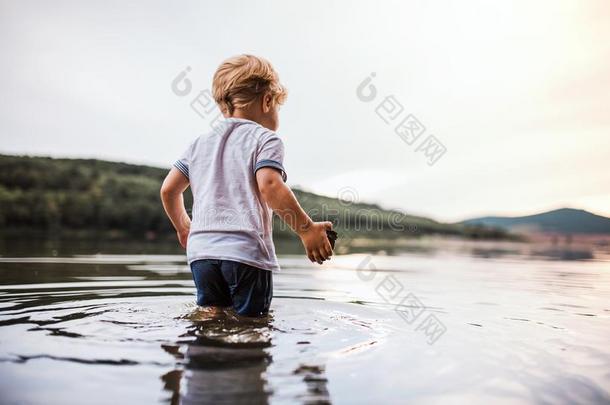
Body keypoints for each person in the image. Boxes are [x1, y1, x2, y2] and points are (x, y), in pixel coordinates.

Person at [160, 54, 333, 317]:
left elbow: (169, 190)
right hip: (245, 253)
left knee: (210, 318)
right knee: (253, 326)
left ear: (223, 105)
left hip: (201, 253)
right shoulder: (266, 139)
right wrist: (306, 229)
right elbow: (270, 186)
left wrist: (185, 227)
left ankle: (206, 353)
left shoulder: (198, 144)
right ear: (267, 101)